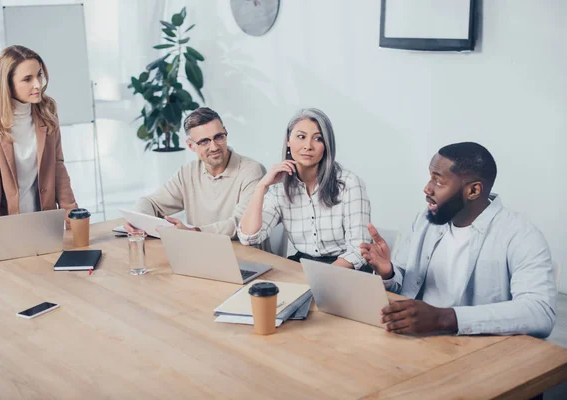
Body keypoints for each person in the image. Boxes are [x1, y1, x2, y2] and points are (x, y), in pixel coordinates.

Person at [362, 142, 556, 338]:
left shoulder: (522, 236)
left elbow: (540, 312)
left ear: (473, 191)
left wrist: (444, 318)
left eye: (438, 181)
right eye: (430, 177)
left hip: (477, 351)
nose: (427, 189)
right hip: (416, 340)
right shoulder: (425, 220)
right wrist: (389, 272)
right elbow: (404, 283)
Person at [0, 45, 78, 248]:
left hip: (42, 221)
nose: (37, 85)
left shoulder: (46, 109)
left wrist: (73, 219)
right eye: (27, 79)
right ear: (6, 83)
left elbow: (58, 166)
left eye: (39, 76)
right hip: (1, 222)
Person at [238, 108, 371, 270]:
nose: (308, 146)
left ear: (327, 145)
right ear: (288, 140)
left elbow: (358, 249)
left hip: (345, 269)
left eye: (318, 139)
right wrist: (261, 186)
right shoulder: (280, 189)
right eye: (301, 137)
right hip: (303, 266)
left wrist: (322, 276)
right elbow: (249, 237)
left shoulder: (349, 183)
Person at [129, 107, 264, 237]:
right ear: (190, 146)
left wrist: (194, 231)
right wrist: (137, 222)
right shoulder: (187, 172)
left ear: (225, 133)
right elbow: (150, 203)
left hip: (244, 256)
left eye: (218, 137)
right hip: (200, 252)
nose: (214, 146)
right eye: (204, 141)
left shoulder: (252, 171)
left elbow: (241, 224)